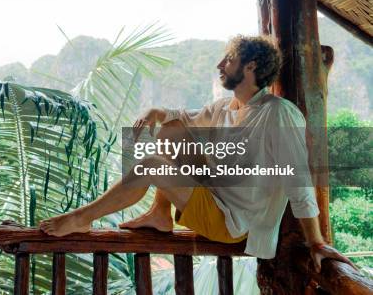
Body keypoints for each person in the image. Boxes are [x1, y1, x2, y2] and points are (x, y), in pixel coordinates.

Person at [40, 35, 354, 270]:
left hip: (232, 222)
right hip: (213, 195)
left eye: (228, 60)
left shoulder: (277, 113)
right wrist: (154, 110)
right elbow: (177, 116)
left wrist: (316, 241)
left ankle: (81, 218)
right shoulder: (224, 108)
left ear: (251, 66)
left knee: (151, 164)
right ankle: (160, 214)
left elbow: (297, 180)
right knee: (173, 127)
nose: (220, 65)